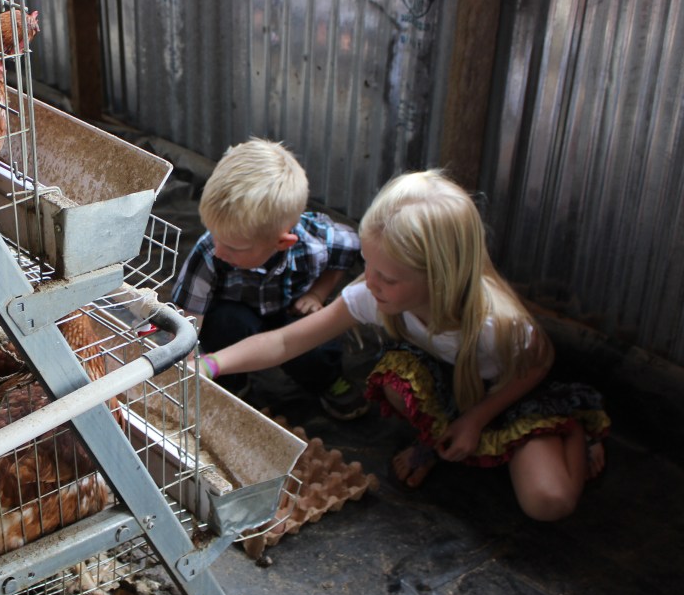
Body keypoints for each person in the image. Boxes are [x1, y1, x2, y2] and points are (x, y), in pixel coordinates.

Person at [197, 169, 610, 522]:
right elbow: (287, 340)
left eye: (388, 277)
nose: (369, 283)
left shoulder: (496, 325)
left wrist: (477, 418)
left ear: (440, 278)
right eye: (367, 264)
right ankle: (435, 439)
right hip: (451, 382)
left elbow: (538, 365)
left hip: (506, 394)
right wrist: (211, 364)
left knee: (548, 502)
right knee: (398, 383)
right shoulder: (375, 294)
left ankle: (576, 432)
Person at [171, 137, 367, 419]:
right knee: (225, 323)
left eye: (233, 247)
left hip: (291, 311)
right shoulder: (209, 251)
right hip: (239, 312)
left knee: (319, 345)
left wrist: (318, 294)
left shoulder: (319, 243)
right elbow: (189, 316)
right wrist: (188, 359)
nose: (219, 250)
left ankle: (327, 381)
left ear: (282, 242)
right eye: (214, 234)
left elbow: (348, 251)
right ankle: (231, 381)